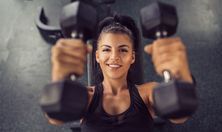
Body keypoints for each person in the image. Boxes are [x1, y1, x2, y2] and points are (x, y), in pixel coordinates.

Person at [47, 15, 194, 132]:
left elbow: (180, 117)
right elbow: (54, 119)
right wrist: (58, 78)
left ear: (132, 57)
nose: (114, 57)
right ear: (97, 56)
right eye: (106, 49)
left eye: (123, 50)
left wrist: (182, 74)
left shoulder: (148, 92)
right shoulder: (86, 96)